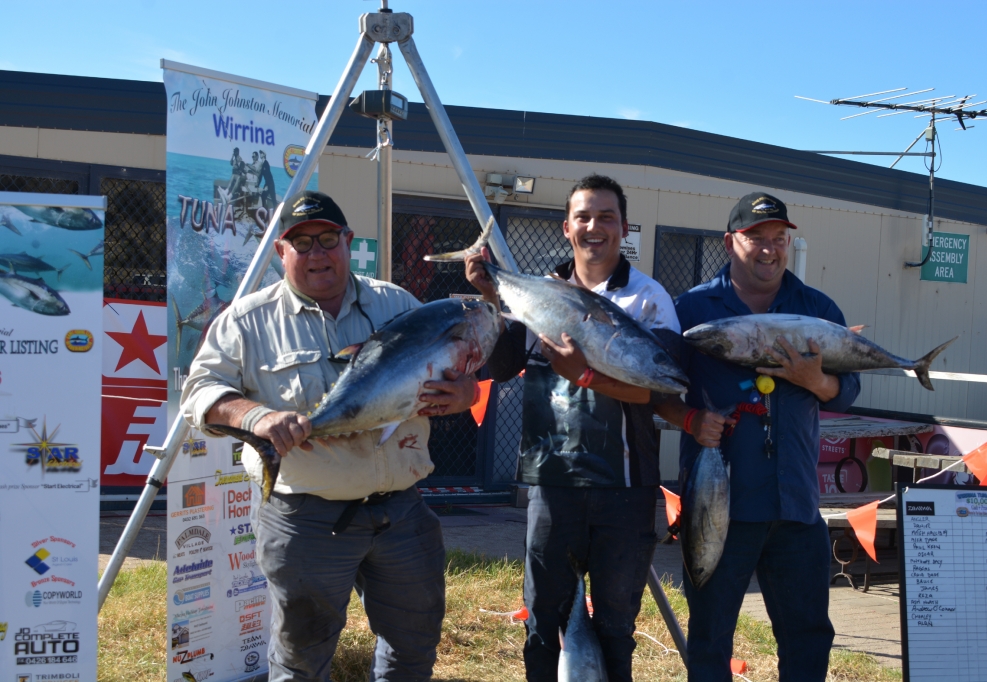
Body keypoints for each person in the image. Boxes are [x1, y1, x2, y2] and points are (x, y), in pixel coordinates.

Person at [181, 190, 478, 682]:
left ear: (347, 241)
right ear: (281, 251)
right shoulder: (247, 320)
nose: (316, 253)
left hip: (401, 513)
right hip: (306, 520)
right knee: (301, 660)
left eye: (326, 239)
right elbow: (200, 392)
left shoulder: (398, 304)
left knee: (414, 647)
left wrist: (466, 393)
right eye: (301, 243)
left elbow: (452, 370)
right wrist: (257, 418)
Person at [465, 174, 726, 682]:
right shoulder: (537, 291)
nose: (594, 227)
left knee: (615, 627)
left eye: (607, 217)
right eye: (583, 217)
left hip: (625, 490)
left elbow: (661, 387)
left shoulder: (649, 298)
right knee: (543, 624)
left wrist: (584, 375)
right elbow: (502, 364)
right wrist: (491, 294)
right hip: (551, 485)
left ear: (624, 228)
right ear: (566, 228)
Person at [674, 191, 861, 682]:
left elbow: (847, 391)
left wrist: (815, 381)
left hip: (796, 505)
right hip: (720, 506)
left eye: (779, 238)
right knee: (710, 637)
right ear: (729, 242)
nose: (769, 249)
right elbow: (657, 389)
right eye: (756, 237)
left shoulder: (816, 308)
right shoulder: (692, 309)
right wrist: (691, 420)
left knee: (808, 638)